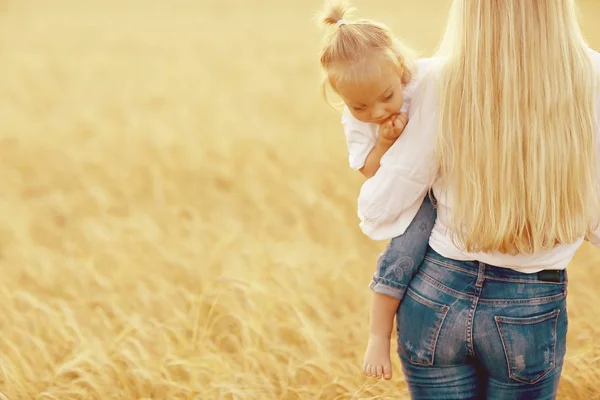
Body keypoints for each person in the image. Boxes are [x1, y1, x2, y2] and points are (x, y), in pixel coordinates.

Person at [356, 0, 600, 398]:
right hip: (531, 307)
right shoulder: (594, 77)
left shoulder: (437, 78)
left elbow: (378, 209)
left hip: (434, 294)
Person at [317, 0, 437, 380]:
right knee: (401, 256)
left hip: (448, 184)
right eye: (360, 106)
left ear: (400, 70)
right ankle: (377, 335)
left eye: (386, 97)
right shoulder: (358, 125)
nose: (376, 112)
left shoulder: (424, 85)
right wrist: (384, 142)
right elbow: (368, 171)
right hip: (413, 201)